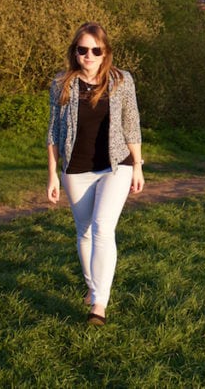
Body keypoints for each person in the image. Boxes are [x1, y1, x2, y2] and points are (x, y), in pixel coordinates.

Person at [46, 22, 145, 326]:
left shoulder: (121, 81)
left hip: (116, 165)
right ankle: (93, 288)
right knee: (85, 231)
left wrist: (138, 165)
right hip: (76, 169)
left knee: (103, 228)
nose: (88, 55)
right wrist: (52, 175)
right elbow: (53, 131)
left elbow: (131, 123)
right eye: (82, 50)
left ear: (105, 53)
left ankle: (98, 305)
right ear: (75, 52)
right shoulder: (61, 83)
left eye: (95, 50)